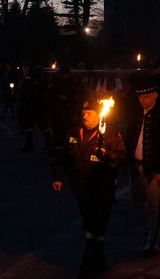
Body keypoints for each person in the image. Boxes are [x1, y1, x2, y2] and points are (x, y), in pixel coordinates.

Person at [52, 95, 126, 278]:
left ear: (98, 115)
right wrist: (59, 177)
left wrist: (109, 155)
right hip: (80, 187)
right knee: (91, 223)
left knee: (95, 223)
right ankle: (99, 260)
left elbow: (122, 157)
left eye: (89, 113)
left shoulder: (110, 134)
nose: (84, 116)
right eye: (83, 112)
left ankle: (87, 261)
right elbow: (62, 156)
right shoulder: (73, 133)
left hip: (102, 188)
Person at [125, 76, 160, 258]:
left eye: (146, 96)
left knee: (155, 205)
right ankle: (155, 223)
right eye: (140, 97)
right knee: (137, 202)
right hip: (136, 167)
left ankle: (152, 243)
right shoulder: (135, 114)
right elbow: (130, 138)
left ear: (155, 95)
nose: (142, 100)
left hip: (155, 169)